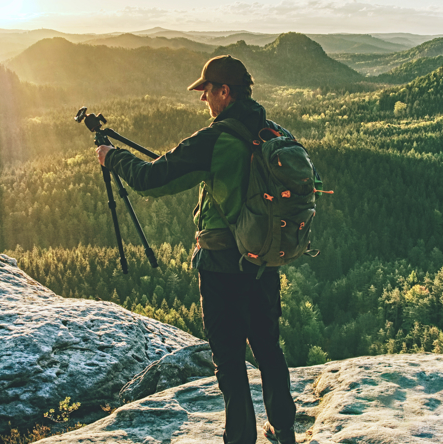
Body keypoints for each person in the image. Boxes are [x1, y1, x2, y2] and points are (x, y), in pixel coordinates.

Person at [96, 55, 297, 444]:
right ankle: (283, 429)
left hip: (222, 268)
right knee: (269, 350)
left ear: (225, 91)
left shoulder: (216, 138)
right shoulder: (273, 131)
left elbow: (151, 179)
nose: (202, 98)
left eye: (206, 90)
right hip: (263, 263)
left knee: (229, 362)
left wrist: (111, 157)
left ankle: (240, 438)